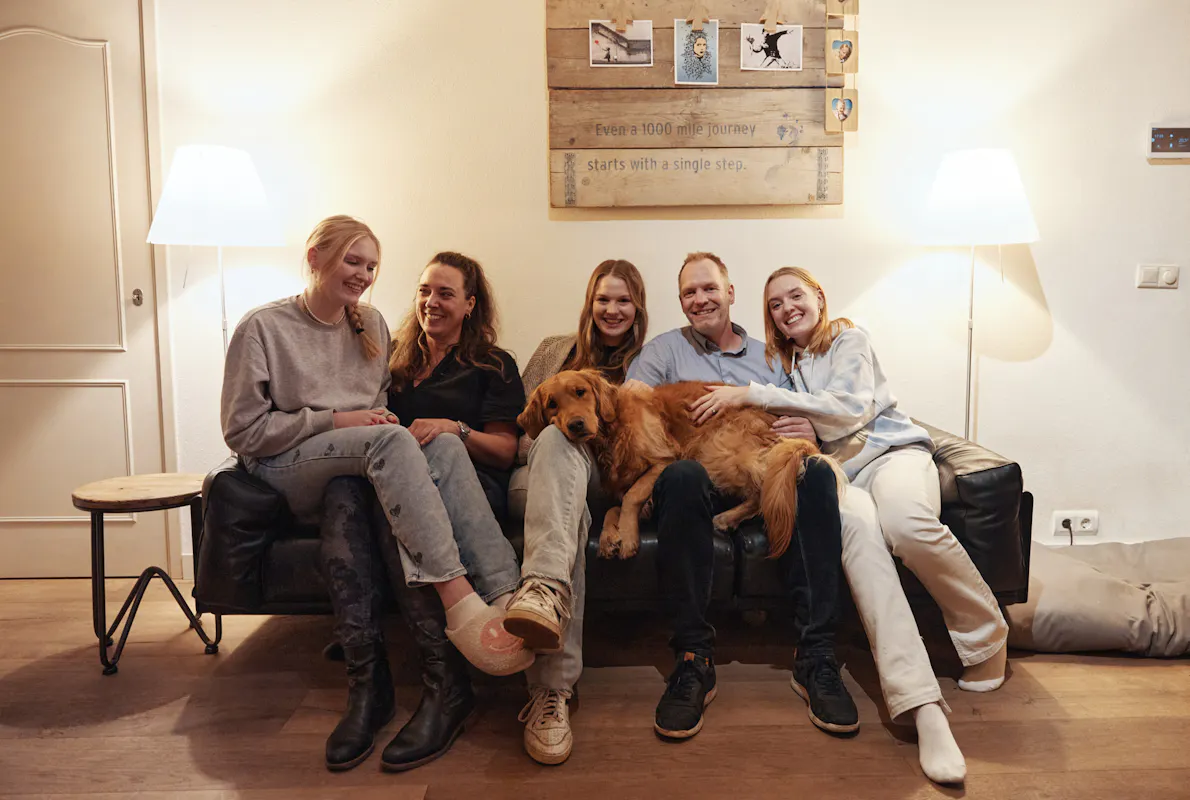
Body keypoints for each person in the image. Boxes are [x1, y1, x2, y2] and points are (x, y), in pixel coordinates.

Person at [220, 216, 533, 770]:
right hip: (285, 463)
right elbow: (244, 433)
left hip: (351, 467)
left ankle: (390, 676)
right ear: (315, 257)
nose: (363, 275)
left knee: (423, 454)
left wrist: (403, 424)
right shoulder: (263, 328)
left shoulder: (371, 324)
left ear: (470, 303)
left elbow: (382, 403)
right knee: (392, 442)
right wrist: (339, 420)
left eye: (370, 265)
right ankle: (462, 602)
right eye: (352, 261)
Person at [692, 265, 1012, 784]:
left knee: (905, 522)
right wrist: (792, 425)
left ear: (818, 295)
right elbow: (808, 427)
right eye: (774, 304)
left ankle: (986, 634)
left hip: (892, 456)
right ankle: (922, 705)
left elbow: (847, 408)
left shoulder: (847, 337)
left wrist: (752, 394)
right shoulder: (787, 367)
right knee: (860, 540)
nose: (786, 308)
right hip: (842, 475)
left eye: (795, 295)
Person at [623, 252, 859, 743]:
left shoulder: (771, 357)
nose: (700, 298)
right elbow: (629, 409)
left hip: (755, 460)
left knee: (813, 473)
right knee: (683, 476)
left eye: (709, 288)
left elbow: (805, 408)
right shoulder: (664, 351)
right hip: (692, 474)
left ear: (731, 293)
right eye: (689, 292)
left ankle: (815, 655)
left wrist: (809, 428)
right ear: (682, 303)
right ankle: (692, 657)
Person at [502, 259, 649, 764]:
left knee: (570, 514)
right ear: (589, 303)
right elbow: (521, 431)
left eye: (623, 300)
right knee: (558, 449)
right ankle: (552, 684)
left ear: (638, 308)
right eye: (603, 299)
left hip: (613, 483)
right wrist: (560, 437)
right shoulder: (551, 352)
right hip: (543, 477)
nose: (612, 309)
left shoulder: (655, 359)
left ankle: (550, 682)